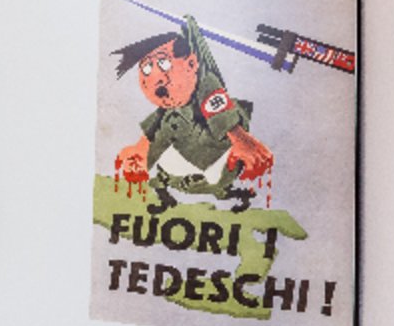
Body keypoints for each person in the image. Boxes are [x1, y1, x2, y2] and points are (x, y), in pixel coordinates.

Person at [112, 16, 273, 214]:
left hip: (210, 161)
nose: (155, 78)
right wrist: (140, 152)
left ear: (191, 63)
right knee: (165, 131)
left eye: (163, 63)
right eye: (146, 68)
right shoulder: (169, 113)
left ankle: (226, 193)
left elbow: (217, 107)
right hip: (180, 168)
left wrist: (240, 139)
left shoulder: (206, 87)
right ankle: (165, 194)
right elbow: (152, 130)